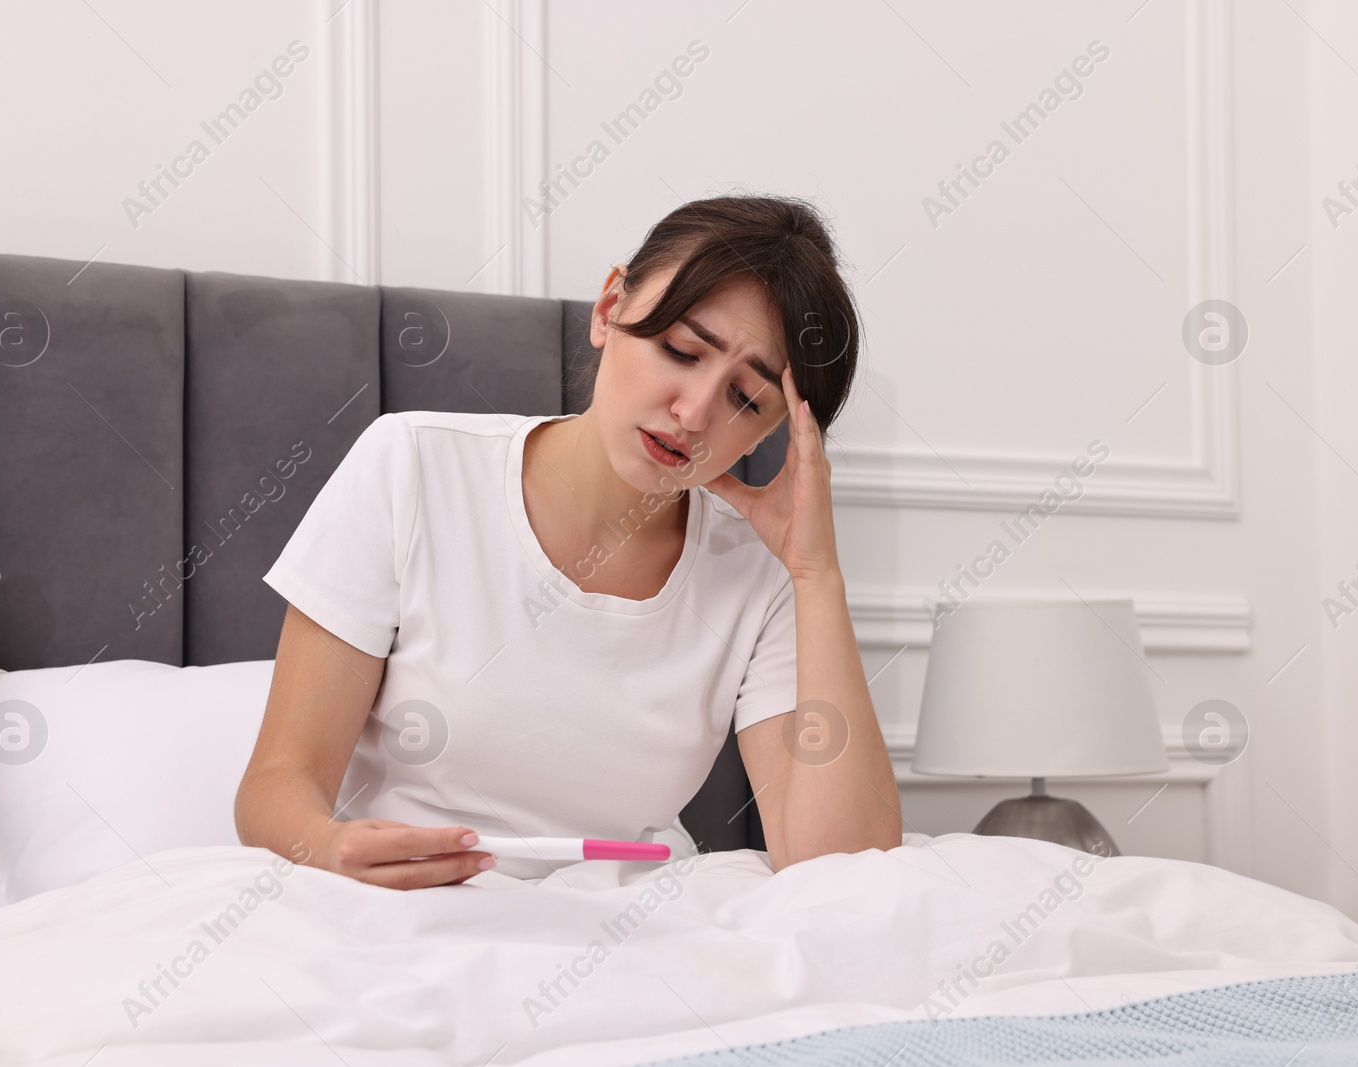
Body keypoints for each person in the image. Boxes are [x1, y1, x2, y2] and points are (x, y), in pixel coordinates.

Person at [234, 194, 902, 888]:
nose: (694, 411)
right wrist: (332, 847)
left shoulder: (762, 573)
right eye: (680, 350)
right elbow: (278, 784)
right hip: (411, 909)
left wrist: (817, 575)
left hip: (632, 934)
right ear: (610, 307)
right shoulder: (412, 467)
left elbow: (842, 869)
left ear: (772, 432)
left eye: (745, 399)